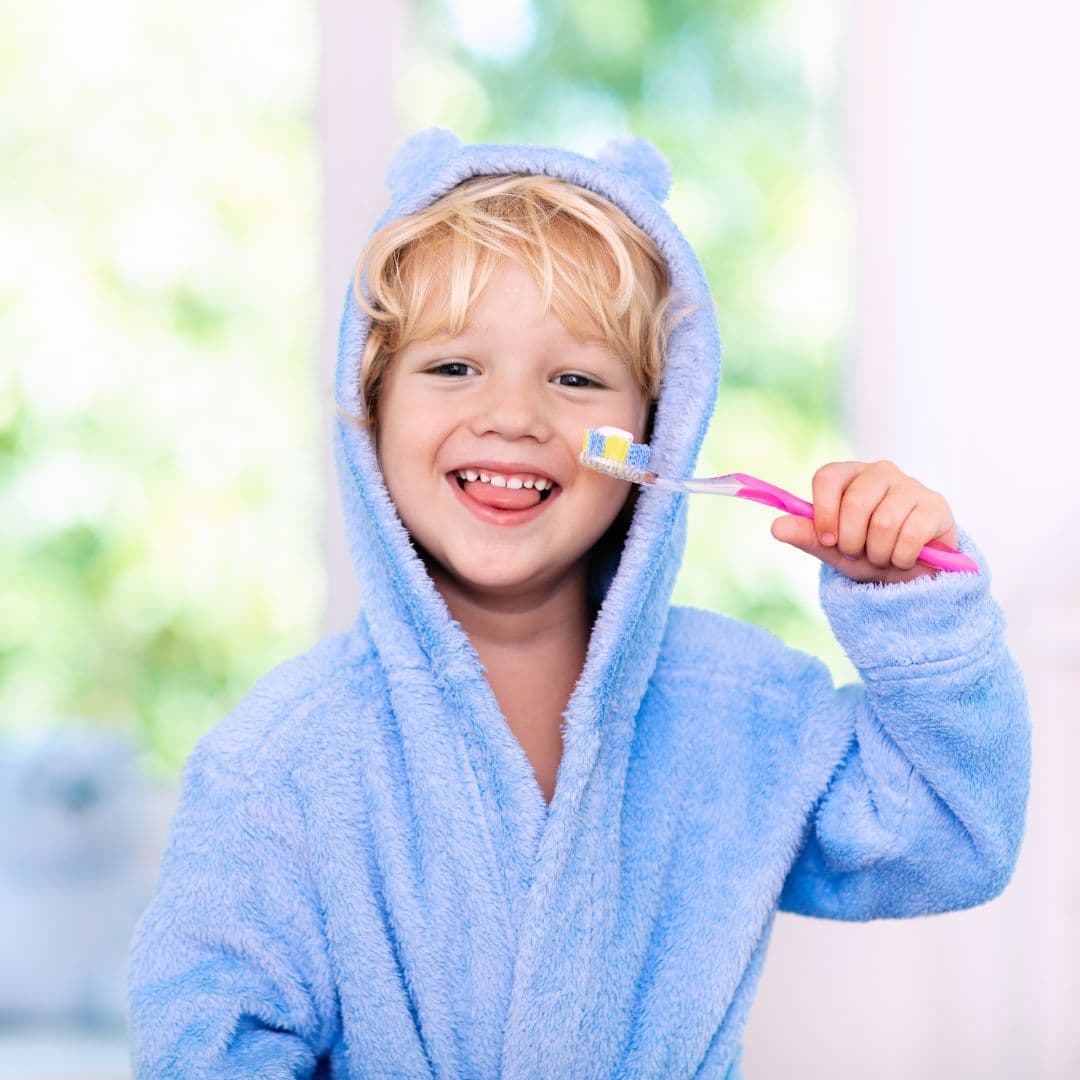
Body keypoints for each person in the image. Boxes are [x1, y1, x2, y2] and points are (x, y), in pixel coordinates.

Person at [127, 127, 1031, 1078]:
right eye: (452, 367)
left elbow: (949, 836)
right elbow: (205, 1046)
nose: (515, 415)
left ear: (656, 433)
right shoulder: (282, 765)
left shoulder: (740, 712)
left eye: (575, 379)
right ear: (372, 404)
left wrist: (914, 610)